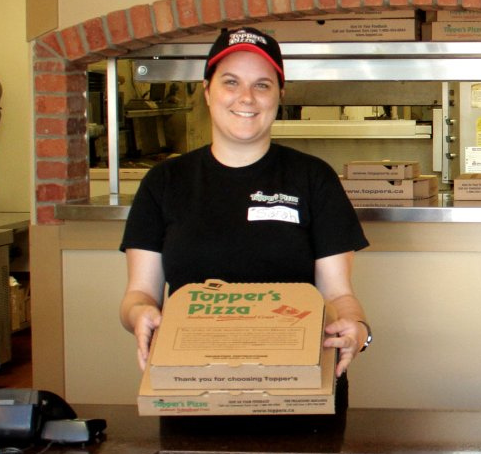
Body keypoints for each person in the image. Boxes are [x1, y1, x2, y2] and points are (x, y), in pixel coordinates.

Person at [118, 26, 372, 380]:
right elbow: (140, 293)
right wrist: (140, 314)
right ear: (207, 92)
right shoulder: (163, 183)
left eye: (262, 85)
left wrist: (357, 328)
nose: (247, 97)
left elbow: (339, 294)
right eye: (231, 82)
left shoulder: (313, 178)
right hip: (192, 387)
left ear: (279, 95)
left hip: (296, 385)